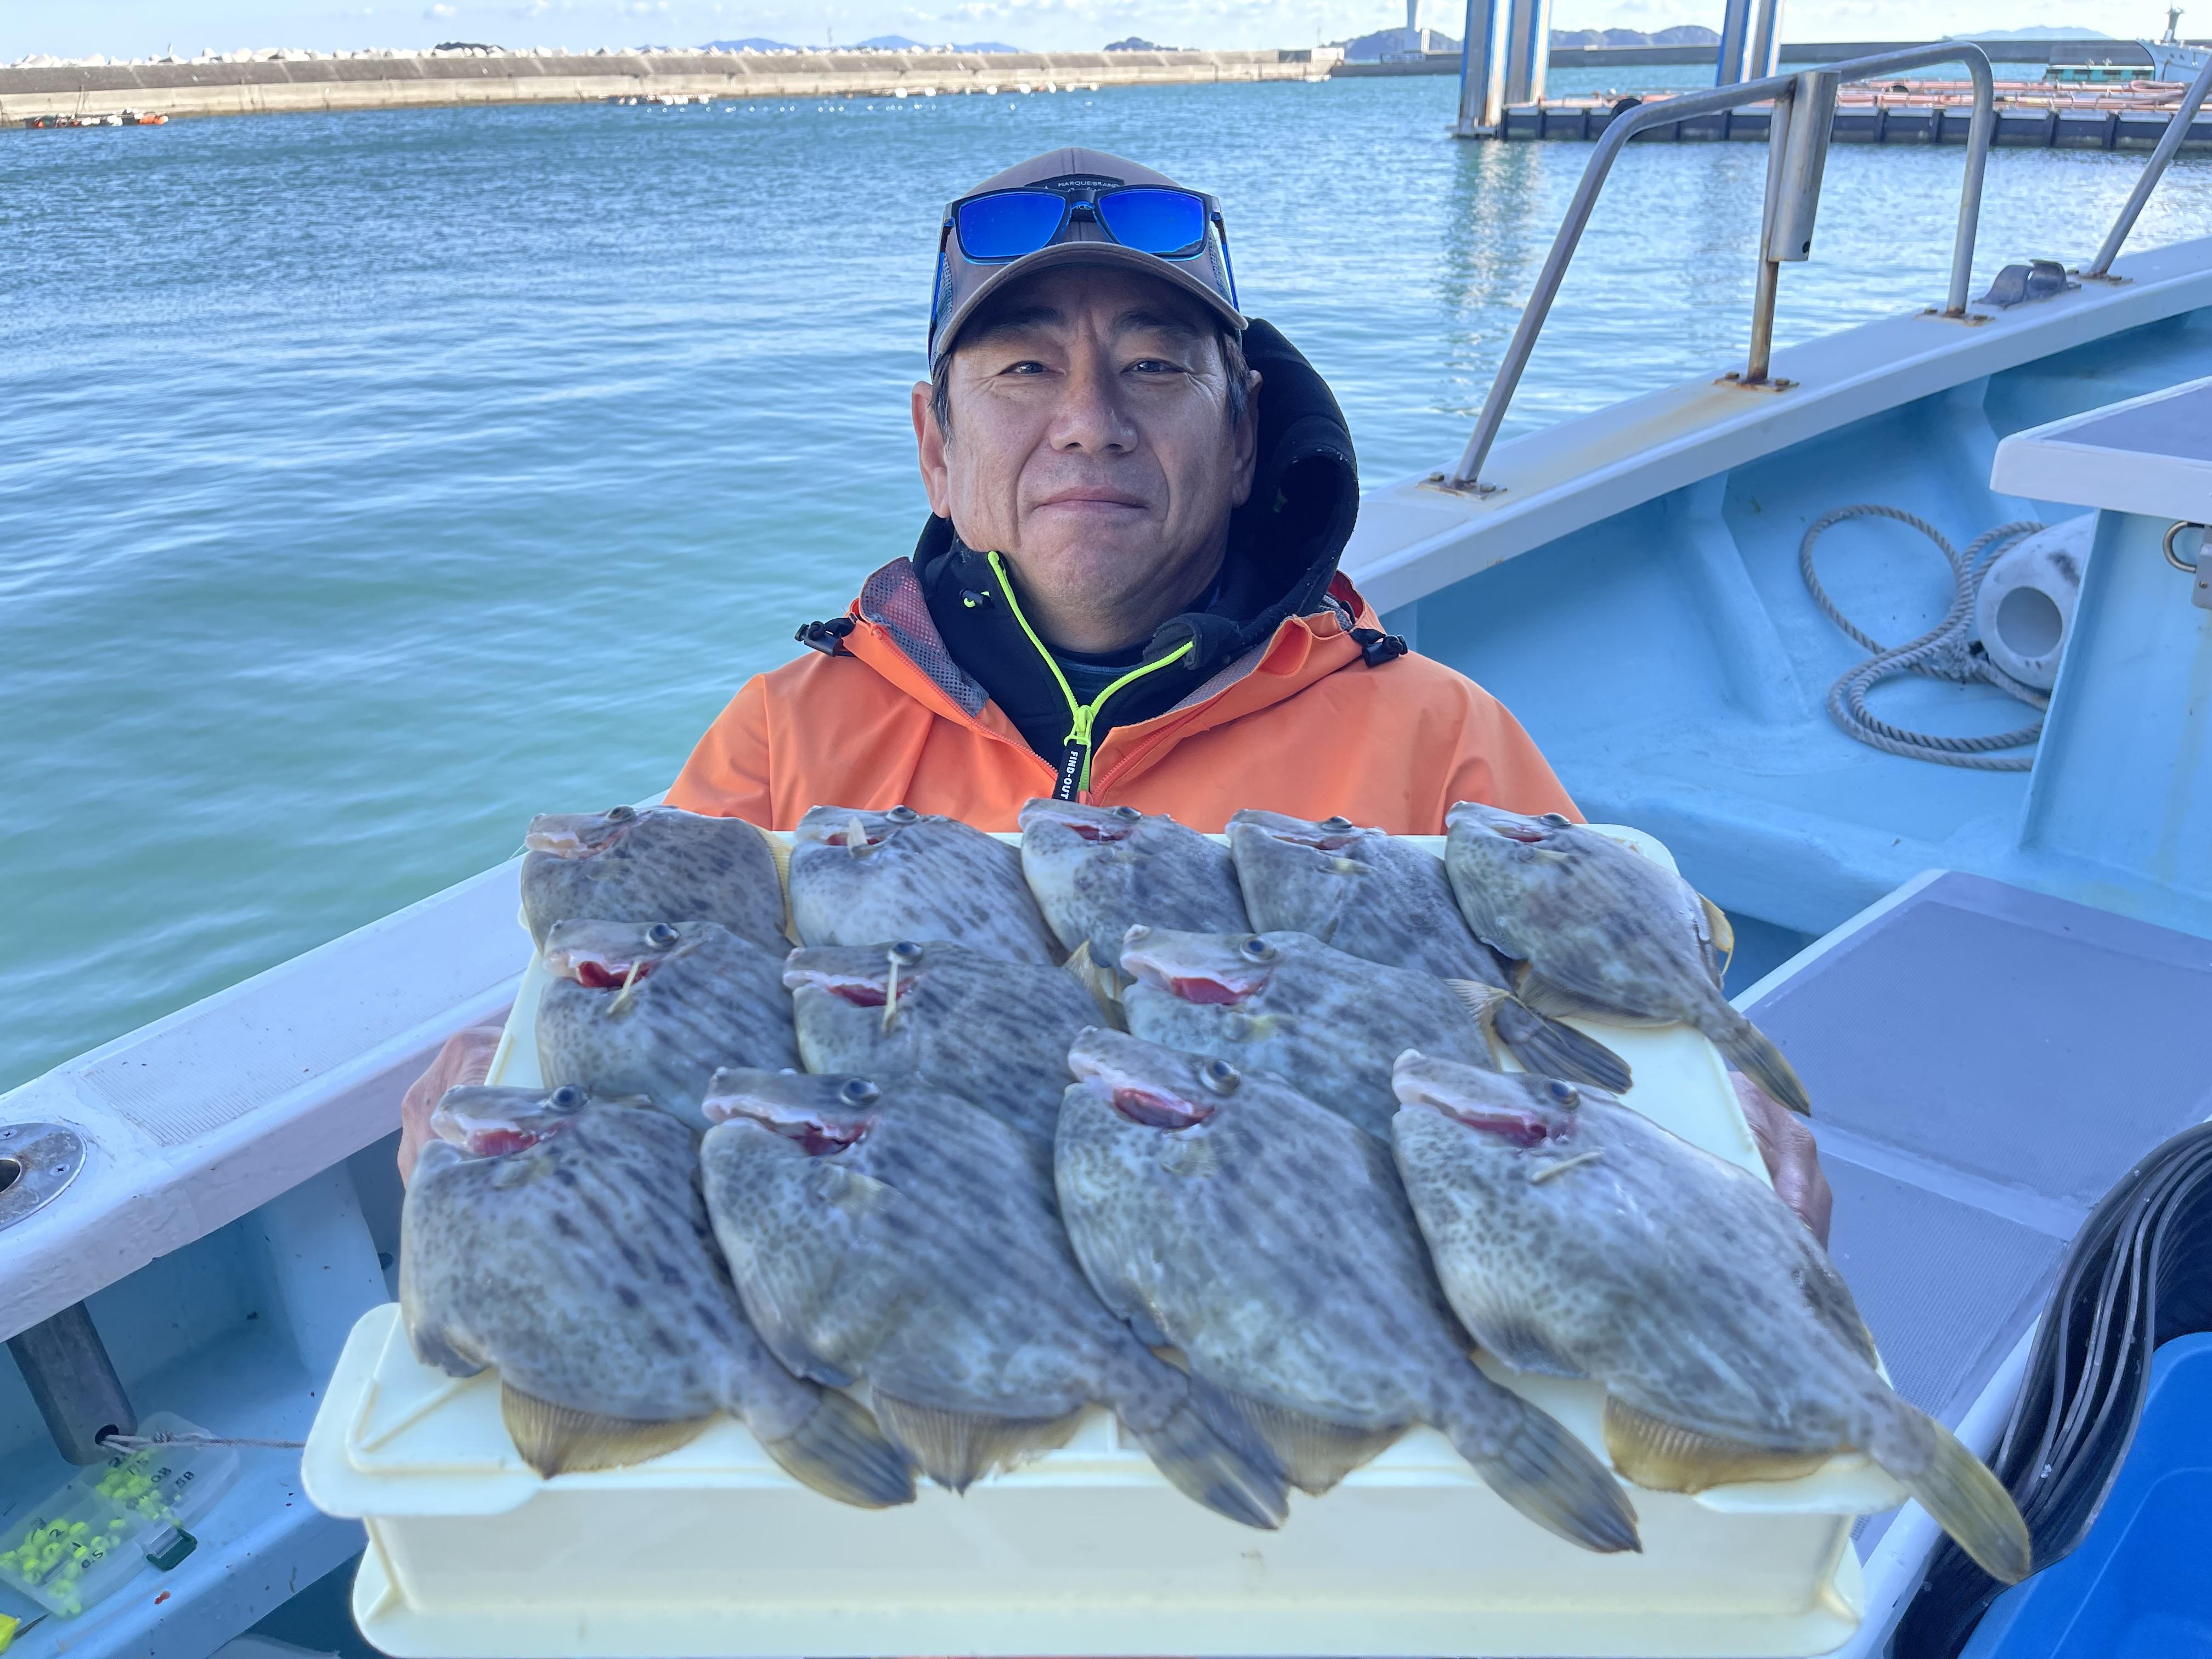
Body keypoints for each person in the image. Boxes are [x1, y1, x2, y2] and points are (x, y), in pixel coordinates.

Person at [398, 146, 1829, 1238]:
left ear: (1247, 433)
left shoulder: (1441, 743)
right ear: (935, 447)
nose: (1091, 418)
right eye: (1025, 368)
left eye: (1156, 367)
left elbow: (1619, 1071)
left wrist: (1725, 1136)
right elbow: (649, 1063)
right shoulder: (788, 739)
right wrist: (515, 1095)